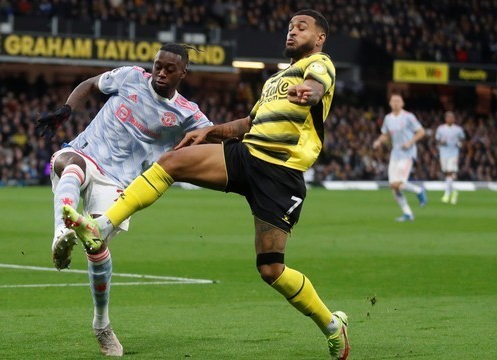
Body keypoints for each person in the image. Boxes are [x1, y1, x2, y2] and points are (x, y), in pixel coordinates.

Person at [64, 10, 350, 360]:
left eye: (302, 28)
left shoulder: (320, 63)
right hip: (247, 156)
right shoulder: (276, 80)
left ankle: (332, 326)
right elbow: (250, 122)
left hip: (280, 175)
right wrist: (208, 132)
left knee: (271, 269)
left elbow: (317, 86)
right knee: (170, 163)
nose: (292, 32)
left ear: (320, 38)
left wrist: (310, 91)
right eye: (290, 27)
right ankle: (101, 225)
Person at [34, 43, 212, 357]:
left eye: (170, 68)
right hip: (87, 153)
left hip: (119, 183)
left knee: (95, 245)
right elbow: (89, 85)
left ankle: (101, 325)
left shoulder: (188, 113)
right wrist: (67, 110)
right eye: (158, 65)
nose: (161, 72)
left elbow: (213, 135)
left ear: (183, 72)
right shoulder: (130, 76)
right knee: (67, 163)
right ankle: (61, 233)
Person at [373, 94, 427, 222]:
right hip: (395, 153)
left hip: (407, 154)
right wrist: (379, 141)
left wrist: (410, 142)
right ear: (390, 103)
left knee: (399, 183)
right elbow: (385, 134)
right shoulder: (388, 118)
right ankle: (408, 214)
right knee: (393, 186)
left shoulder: (409, 117)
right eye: (393, 101)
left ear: (402, 103)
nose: (396, 103)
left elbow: (421, 132)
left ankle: (418, 190)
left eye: (398, 101)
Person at [435, 111, 465, 204]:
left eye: (451, 117)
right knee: (447, 173)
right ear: (445, 118)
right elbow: (437, 140)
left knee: (450, 172)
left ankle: (447, 194)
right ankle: (454, 192)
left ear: (454, 119)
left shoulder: (458, 129)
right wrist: (441, 142)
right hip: (443, 153)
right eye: (448, 117)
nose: (450, 119)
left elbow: (462, 139)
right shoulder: (440, 129)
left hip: (453, 153)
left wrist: (459, 144)